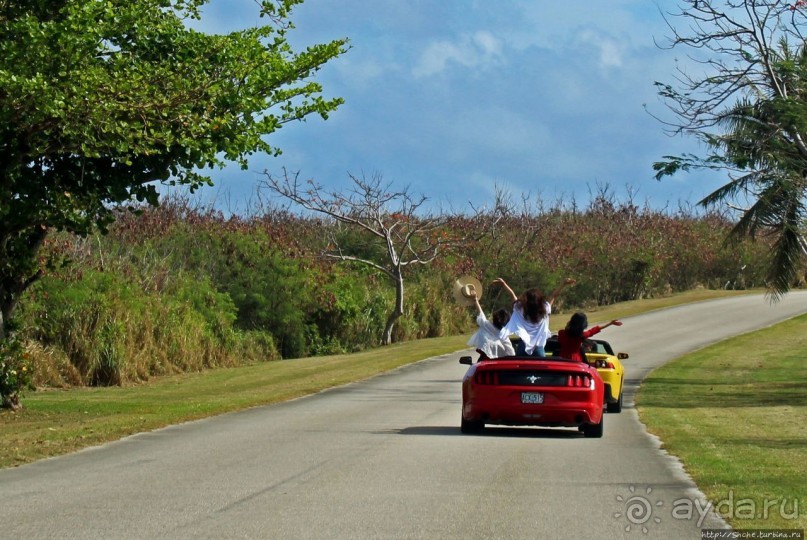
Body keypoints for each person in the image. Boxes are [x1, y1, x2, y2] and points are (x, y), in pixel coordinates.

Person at [493, 277, 576, 357]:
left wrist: (503, 284)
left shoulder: (520, 309)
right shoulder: (544, 309)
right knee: (541, 370)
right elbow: (554, 296)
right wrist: (563, 284)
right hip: (538, 348)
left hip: (522, 347)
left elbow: (512, 295)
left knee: (519, 371)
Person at [466, 289, 515, 360]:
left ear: (495, 317)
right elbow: (511, 354)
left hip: (484, 360)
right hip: (498, 364)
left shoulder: (486, 325)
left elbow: (481, 313)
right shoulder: (504, 336)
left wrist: (475, 299)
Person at [557, 312, 622, 361]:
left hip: (562, 359)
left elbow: (565, 333)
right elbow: (593, 330)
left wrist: (569, 325)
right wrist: (610, 323)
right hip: (576, 361)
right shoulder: (581, 336)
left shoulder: (561, 333)